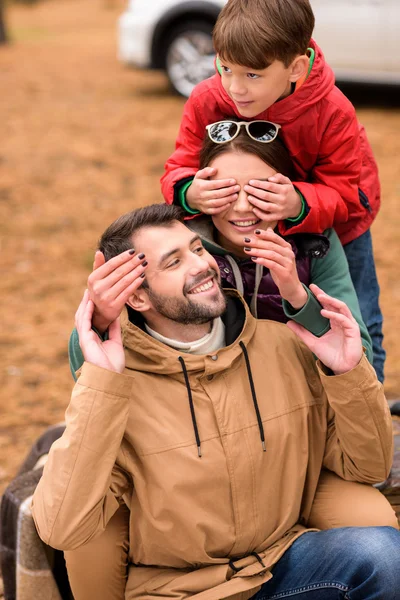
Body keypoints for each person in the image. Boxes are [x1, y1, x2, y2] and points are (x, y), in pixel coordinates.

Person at [32, 204, 400, 600]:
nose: (201, 266)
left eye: (197, 249)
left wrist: (348, 373)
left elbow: (368, 464)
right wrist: (100, 384)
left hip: (283, 567)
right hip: (180, 591)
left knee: (384, 556)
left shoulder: (282, 347)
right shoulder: (117, 391)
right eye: (173, 262)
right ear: (137, 297)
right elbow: (62, 527)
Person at [160, 0, 385, 383]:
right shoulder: (207, 99)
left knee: (354, 315)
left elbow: (345, 195)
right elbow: (180, 164)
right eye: (225, 67)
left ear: (295, 68)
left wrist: (299, 202)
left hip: (336, 228)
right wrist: (187, 192)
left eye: (252, 75)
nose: (234, 87)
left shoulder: (332, 111)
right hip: (243, 223)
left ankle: (366, 398)